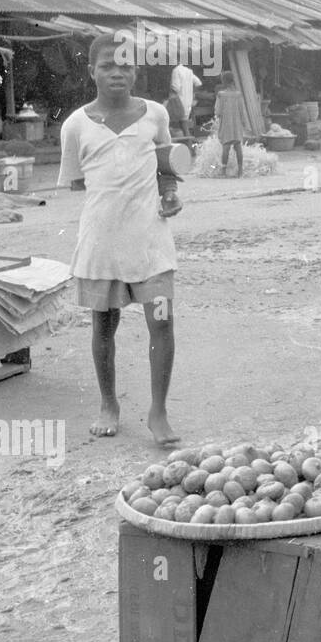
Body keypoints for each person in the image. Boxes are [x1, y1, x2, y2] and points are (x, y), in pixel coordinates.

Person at [58, 33, 182, 445]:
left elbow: (166, 168)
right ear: (91, 70)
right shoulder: (75, 125)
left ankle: (158, 411)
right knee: (103, 326)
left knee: (161, 322)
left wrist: (168, 195)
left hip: (151, 243)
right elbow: (78, 183)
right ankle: (108, 403)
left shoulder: (156, 115)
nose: (117, 73)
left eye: (125, 65)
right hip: (101, 247)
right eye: (107, 65)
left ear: (136, 71)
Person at [213, 70, 248, 177]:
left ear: (224, 81)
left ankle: (223, 171)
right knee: (238, 147)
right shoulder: (238, 94)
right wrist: (244, 123)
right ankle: (240, 170)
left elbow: (217, 112)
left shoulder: (221, 95)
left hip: (226, 124)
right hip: (237, 124)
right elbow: (242, 111)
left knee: (226, 147)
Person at [169, 62, 201, 137]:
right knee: (184, 125)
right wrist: (193, 94)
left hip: (178, 103)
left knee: (183, 126)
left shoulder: (176, 70)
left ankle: (188, 145)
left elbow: (176, 88)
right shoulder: (189, 71)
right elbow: (198, 83)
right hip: (188, 102)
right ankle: (188, 144)